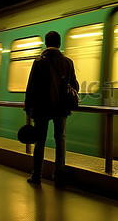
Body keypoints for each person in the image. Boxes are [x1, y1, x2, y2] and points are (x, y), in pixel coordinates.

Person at [24, 31, 79, 186]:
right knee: (60, 139)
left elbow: (31, 87)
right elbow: (74, 85)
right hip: (61, 107)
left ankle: (36, 175)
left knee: (40, 141)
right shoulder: (68, 62)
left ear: (46, 44)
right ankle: (59, 175)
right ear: (60, 43)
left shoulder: (39, 61)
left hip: (42, 108)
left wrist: (28, 107)